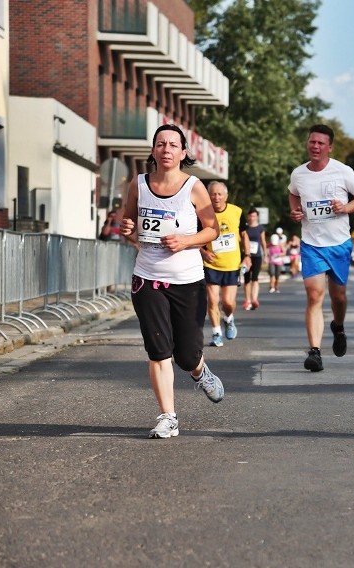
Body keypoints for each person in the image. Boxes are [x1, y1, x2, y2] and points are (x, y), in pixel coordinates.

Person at [118, 123, 224, 439]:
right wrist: (127, 229)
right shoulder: (138, 184)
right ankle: (168, 417)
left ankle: (200, 371)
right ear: (153, 150)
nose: (166, 149)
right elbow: (130, 225)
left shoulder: (194, 186)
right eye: (161, 144)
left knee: (187, 354)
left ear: (183, 152)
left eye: (173, 145)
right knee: (158, 349)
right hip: (147, 278)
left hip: (188, 281)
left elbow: (212, 229)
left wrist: (186, 241)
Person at [288, 124, 354, 372]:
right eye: (312, 142)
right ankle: (315, 351)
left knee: (338, 298)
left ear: (329, 147)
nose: (315, 146)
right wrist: (296, 210)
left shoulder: (343, 171)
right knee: (314, 295)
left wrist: (345, 208)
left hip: (339, 244)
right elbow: (293, 194)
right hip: (312, 244)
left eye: (321, 143)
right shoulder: (298, 174)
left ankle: (339, 326)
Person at [200, 181, 251, 347]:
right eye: (213, 194)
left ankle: (229, 319)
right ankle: (216, 333)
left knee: (228, 302)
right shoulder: (201, 214)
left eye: (219, 194)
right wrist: (203, 252)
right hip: (211, 264)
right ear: (208, 196)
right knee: (213, 301)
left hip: (232, 265)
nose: (216, 197)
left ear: (226, 196)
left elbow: (244, 236)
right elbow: (195, 237)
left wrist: (248, 256)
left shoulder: (237, 212)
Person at [242, 208, 267, 310]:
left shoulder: (260, 228)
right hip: (246, 256)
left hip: (257, 256)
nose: (252, 218)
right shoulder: (245, 227)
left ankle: (254, 299)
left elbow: (263, 242)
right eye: (251, 216)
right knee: (247, 278)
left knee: (255, 277)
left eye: (254, 216)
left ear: (257, 217)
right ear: (248, 216)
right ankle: (247, 300)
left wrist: (265, 255)